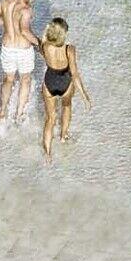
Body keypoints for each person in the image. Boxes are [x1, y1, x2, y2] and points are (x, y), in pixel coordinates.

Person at [0, 0, 39, 136]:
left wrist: (9, 24)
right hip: (23, 49)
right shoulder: (26, 10)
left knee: (8, 79)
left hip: (7, 47)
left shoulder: (4, 0)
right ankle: (19, 114)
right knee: (25, 78)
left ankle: (2, 113)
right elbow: (25, 31)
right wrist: (39, 43)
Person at [35, 15, 85, 157]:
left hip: (50, 81)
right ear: (64, 34)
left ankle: (48, 154)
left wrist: (47, 32)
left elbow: (42, 40)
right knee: (67, 106)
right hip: (65, 82)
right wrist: (84, 96)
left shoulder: (45, 46)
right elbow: (75, 74)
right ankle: (63, 136)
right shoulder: (70, 49)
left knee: (50, 119)